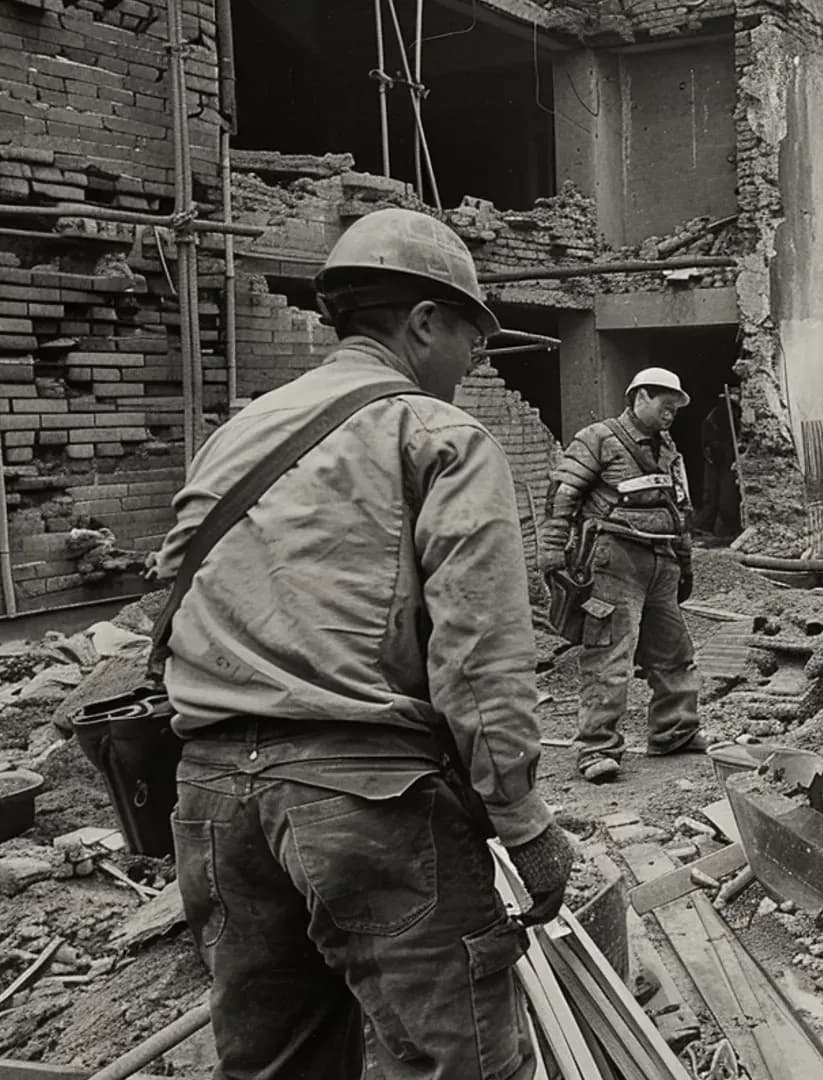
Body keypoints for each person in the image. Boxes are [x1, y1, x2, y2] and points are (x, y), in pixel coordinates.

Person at [156, 207, 573, 1080]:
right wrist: (523, 819)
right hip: (363, 804)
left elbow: (173, 592)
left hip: (211, 804)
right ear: (423, 322)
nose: (474, 363)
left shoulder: (237, 434)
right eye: (472, 338)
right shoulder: (437, 435)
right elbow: (479, 654)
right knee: (458, 1061)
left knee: (278, 1061)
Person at [541, 367, 706, 783]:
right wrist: (551, 552)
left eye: (675, 408)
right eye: (664, 405)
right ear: (640, 397)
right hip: (615, 560)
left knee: (674, 654)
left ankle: (675, 731)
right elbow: (563, 495)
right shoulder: (598, 438)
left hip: (661, 561)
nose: (670, 414)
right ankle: (596, 749)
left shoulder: (668, 450)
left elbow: (678, 508)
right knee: (610, 655)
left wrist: (683, 562)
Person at [694, 391, 742, 539]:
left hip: (729, 457)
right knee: (712, 495)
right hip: (717, 457)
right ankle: (704, 527)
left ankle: (729, 529)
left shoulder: (737, 415)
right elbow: (707, 440)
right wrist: (711, 452)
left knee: (727, 496)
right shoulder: (714, 417)